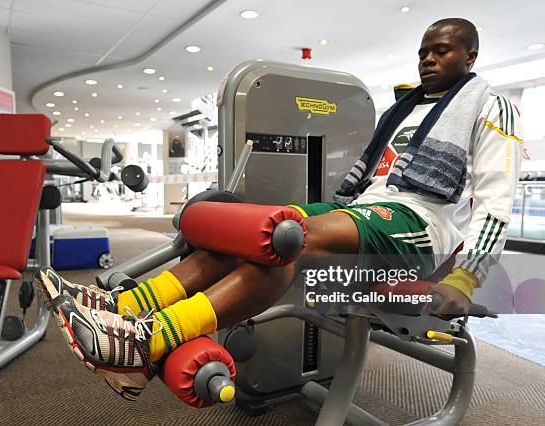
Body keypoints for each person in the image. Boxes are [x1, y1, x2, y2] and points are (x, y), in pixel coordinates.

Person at [35, 17, 522, 401]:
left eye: (442, 51)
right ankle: (127, 310)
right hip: (368, 210)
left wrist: (467, 276)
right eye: (423, 52)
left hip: (421, 226)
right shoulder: (404, 108)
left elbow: (499, 195)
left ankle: (147, 341)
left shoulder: (488, 104)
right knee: (259, 237)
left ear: (470, 55)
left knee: (287, 235)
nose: (428, 60)